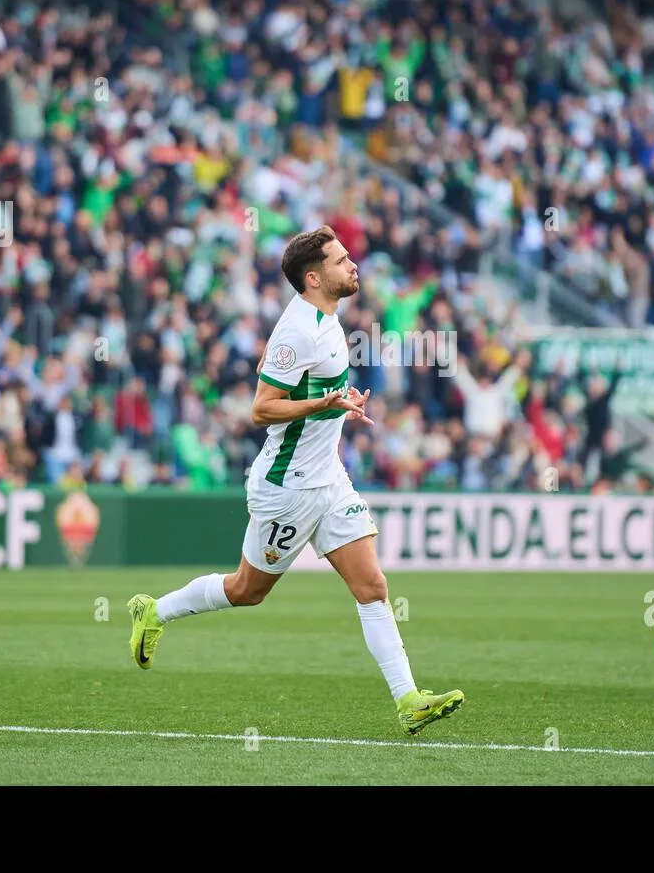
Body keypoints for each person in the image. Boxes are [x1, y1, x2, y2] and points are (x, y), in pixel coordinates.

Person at [126, 227, 465, 733]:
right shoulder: (297, 330)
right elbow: (261, 408)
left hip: (329, 478)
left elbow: (301, 384)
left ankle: (408, 700)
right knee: (247, 590)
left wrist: (339, 407)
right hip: (287, 486)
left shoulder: (327, 319)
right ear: (314, 277)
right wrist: (322, 404)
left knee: (372, 586)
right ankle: (156, 611)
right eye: (341, 259)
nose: (353, 265)